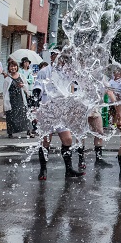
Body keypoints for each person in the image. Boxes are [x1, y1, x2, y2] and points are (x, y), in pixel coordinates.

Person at [32, 49, 85, 180]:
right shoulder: (44, 72)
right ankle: (43, 170)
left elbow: (75, 87)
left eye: (61, 57)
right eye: (56, 57)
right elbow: (37, 89)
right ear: (52, 58)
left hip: (61, 111)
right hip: (47, 110)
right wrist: (34, 108)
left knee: (68, 139)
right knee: (46, 141)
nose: (59, 60)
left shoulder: (66, 72)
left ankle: (69, 169)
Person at [3, 58, 31, 138]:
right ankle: (10, 132)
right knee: (11, 116)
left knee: (24, 115)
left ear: (17, 67)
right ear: (9, 68)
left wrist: (23, 86)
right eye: (11, 66)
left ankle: (28, 131)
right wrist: (4, 106)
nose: (13, 68)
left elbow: (26, 86)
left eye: (14, 66)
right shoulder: (7, 79)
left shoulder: (21, 76)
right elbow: (5, 92)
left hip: (20, 98)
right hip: (11, 100)